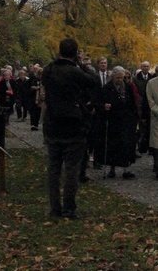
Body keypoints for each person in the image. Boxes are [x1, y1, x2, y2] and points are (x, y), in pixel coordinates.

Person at [41, 38, 100, 219]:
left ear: (59, 51)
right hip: (73, 126)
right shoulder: (75, 72)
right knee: (72, 169)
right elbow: (95, 81)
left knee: (54, 169)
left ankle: (54, 207)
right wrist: (82, 65)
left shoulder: (49, 71)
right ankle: (68, 208)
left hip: (52, 124)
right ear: (75, 54)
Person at [95, 66, 138, 179]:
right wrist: (104, 106)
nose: (120, 80)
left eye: (122, 77)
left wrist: (134, 117)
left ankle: (126, 169)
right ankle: (112, 168)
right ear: (113, 77)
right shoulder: (106, 88)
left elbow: (133, 103)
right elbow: (98, 103)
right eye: (118, 77)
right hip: (112, 120)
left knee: (126, 145)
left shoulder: (128, 87)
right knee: (112, 145)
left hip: (125, 120)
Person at [134, 61, 155, 154]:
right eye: (144, 66)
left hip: (149, 105)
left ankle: (150, 147)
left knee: (150, 127)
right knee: (140, 128)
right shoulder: (136, 78)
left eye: (147, 66)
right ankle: (141, 146)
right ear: (141, 67)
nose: (146, 68)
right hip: (140, 104)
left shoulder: (152, 78)